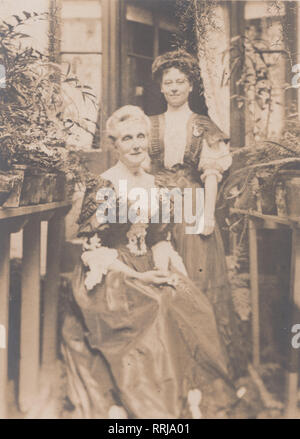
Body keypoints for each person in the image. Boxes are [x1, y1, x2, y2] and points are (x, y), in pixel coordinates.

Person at [61, 105, 251, 419]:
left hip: (147, 263)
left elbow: (159, 239)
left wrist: (169, 270)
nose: (135, 144)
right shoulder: (104, 185)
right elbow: (93, 249)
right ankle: (155, 405)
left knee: (191, 301)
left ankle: (195, 395)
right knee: (156, 306)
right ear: (115, 145)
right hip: (110, 272)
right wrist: (140, 278)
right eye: (126, 138)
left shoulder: (155, 185)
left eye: (139, 137)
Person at [148, 49, 246, 379]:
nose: (174, 87)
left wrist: (208, 214)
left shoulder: (203, 126)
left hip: (191, 204)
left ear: (191, 86)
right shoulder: (149, 126)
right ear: (161, 88)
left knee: (195, 276)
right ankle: (165, 365)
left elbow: (212, 174)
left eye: (181, 81)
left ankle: (200, 367)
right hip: (157, 206)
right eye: (168, 82)